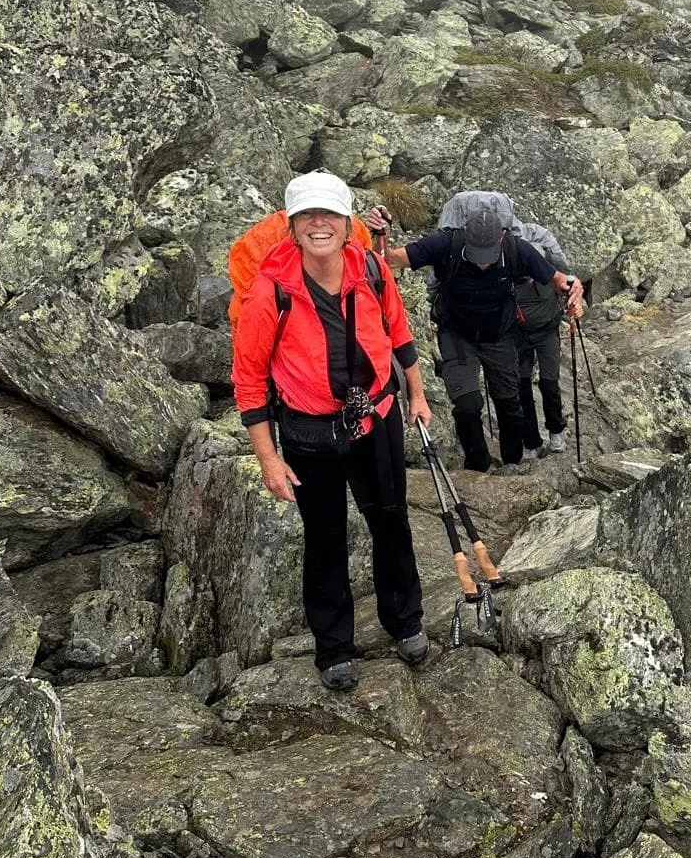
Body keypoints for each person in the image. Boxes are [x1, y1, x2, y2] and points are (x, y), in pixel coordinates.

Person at [231, 171, 433, 690]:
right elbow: (249, 380)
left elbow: (397, 329)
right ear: (293, 227)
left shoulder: (369, 268)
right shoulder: (268, 293)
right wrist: (268, 458)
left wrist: (416, 392)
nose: (319, 224)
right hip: (309, 434)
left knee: (391, 521)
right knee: (325, 539)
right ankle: (334, 648)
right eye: (307, 216)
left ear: (347, 225)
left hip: (378, 416)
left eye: (330, 215)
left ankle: (405, 621)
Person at [384, 207, 583, 472]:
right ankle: (477, 466)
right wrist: (380, 234)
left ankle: (512, 464)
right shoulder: (446, 244)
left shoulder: (517, 249)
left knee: (509, 403)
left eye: (488, 257)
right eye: (478, 255)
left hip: (499, 336)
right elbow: (389, 259)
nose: (483, 263)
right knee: (467, 405)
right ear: (465, 235)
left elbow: (558, 279)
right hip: (456, 335)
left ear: (502, 237)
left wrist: (574, 289)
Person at [515, 220, 575, 458]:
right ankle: (530, 441)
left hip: (547, 331)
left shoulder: (552, 274)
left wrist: (572, 306)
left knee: (549, 382)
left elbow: (569, 285)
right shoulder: (510, 276)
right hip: (517, 334)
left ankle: (556, 431)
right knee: (521, 385)